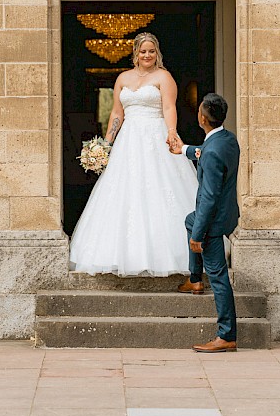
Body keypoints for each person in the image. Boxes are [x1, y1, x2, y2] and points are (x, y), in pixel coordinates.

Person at [68, 32, 199, 276]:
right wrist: (106, 143)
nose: (147, 55)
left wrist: (171, 132)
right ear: (135, 53)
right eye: (142, 51)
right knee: (123, 190)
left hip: (155, 135)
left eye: (151, 51)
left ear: (156, 53)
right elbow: (117, 113)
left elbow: (169, 106)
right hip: (128, 139)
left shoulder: (164, 77)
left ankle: (168, 256)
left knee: (159, 189)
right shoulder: (123, 78)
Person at [171, 93, 240, 352]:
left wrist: (198, 235)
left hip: (211, 221)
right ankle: (194, 277)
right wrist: (184, 150)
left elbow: (209, 197)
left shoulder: (211, 152)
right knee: (189, 220)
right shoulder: (227, 140)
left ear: (202, 118)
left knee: (220, 277)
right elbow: (206, 152)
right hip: (226, 215)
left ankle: (226, 335)